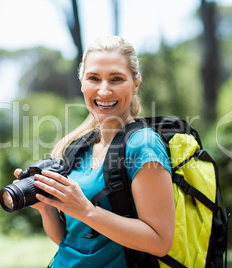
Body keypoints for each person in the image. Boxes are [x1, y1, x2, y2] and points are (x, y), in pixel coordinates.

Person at [14, 36, 175, 267]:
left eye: (116, 79)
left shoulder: (143, 145)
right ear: (82, 83)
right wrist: (47, 209)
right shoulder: (79, 147)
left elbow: (160, 242)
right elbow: (72, 241)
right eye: (93, 78)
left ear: (136, 83)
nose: (104, 90)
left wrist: (87, 211)